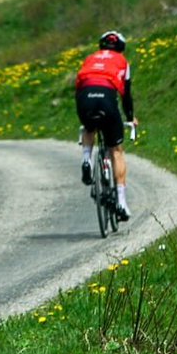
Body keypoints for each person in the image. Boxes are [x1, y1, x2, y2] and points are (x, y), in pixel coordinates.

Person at [75, 30, 137, 221]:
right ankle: (121, 202)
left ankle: (87, 159)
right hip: (106, 98)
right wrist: (131, 117)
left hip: (85, 97)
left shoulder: (90, 59)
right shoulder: (122, 62)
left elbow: (79, 86)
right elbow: (126, 96)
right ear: (121, 48)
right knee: (116, 150)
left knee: (89, 126)